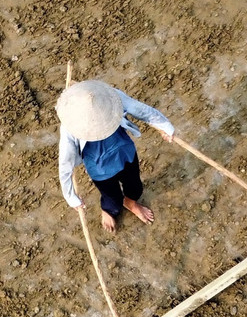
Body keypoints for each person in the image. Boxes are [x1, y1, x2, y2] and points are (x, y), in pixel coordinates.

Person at [57, 80, 175, 233]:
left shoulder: (110, 96)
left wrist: (165, 126)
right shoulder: (69, 125)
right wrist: (71, 196)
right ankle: (109, 210)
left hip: (125, 154)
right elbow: (65, 164)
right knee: (112, 199)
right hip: (100, 170)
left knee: (135, 188)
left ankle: (131, 203)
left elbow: (139, 109)